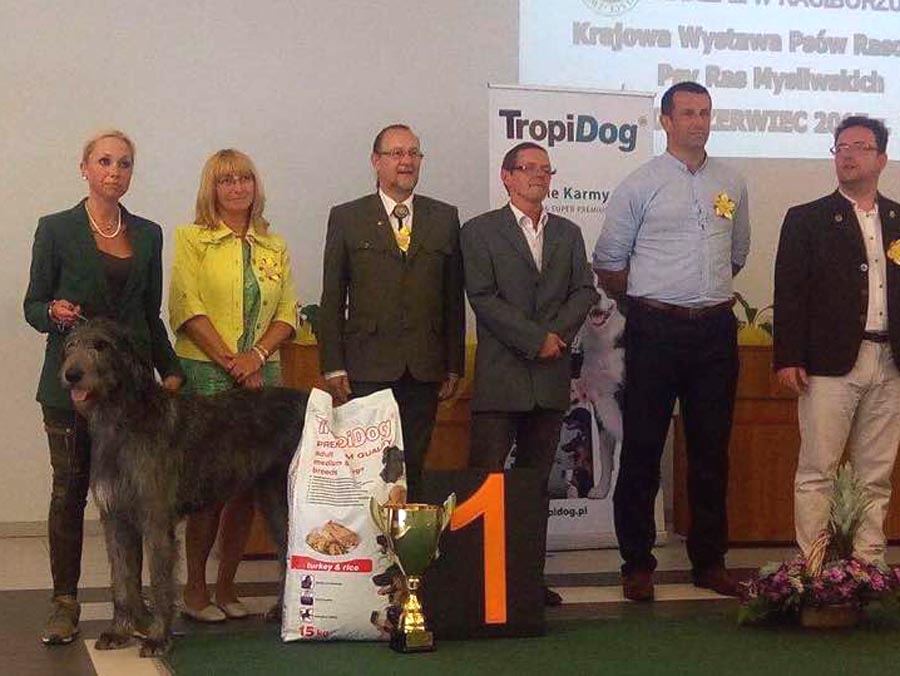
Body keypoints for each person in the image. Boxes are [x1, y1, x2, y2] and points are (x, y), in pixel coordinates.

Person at [23, 130, 184, 645]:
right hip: (71, 390)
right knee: (70, 492)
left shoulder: (149, 233)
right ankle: (64, 603)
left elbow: (149, 314)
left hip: (131, 394)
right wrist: (52, 312)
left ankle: (134, 607)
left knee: (137, 499)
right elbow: (32, 305)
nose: (114, 172)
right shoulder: (56, 229)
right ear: (85, 168)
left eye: (125, 164)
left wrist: (170, 368)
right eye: (105, 162)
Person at [593, 81, 750, 601]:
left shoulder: (732, 181)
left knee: (711, 450)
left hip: (714, 331)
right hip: (655, 329)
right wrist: (645, 302)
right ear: (665, 121)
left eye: (705, 113)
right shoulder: (639, 184)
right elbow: (609, 263)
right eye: (687, 113)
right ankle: (636, 564)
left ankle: (710, 561)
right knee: (641, 447)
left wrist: (699, 293)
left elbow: (737, 253)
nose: (698, 122)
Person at [461, 141, 597, 606]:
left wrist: (554, 335)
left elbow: (585, 289)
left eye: (546, 169)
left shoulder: (568, 232)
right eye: (528, 168)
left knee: (535, 488)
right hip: (501, 376)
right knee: (487, 483)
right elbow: (482, 296)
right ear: (507, 176)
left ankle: (526, 580)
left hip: (550, 377)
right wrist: (533, 338)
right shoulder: (479, 232)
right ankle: (479, 581)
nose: (539, 176)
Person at [169, 149, 298, 622]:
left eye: (245, 178)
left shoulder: (273, 245)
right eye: (227, 181)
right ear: (212, 189)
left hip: (262, 377)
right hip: (208, 375)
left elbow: (287, 311)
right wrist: (231, 361)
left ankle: (227, 588)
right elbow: (185, 305)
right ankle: (196, 590)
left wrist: (256, 357)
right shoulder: (192, 239)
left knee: (250, 486)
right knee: (207, 486)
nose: (238, 187)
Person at [774, 116, 900, 563]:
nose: (846, 154)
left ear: (881, 159)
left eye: (859, 146)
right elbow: (790, 293)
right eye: (840, 146)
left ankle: (869, 564)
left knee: (876, 474)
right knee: (817, 469)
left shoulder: (897, 218)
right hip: (829, 364)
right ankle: (813, 564)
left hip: (889, 361)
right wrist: (788, 357)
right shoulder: (807, 219)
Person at [318, 124, 465, 500]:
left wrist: (454, 364)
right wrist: (333, 364)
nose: (406, 161)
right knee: (368, 468)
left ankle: (407, 553)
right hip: (367, 367)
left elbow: (452, 298)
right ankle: (371, 555)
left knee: (413, 465)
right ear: (376, 161)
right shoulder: (347, 217)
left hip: (424, 368)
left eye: (413, 153)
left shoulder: (444, 217)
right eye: (397, 153)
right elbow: (332, 297)